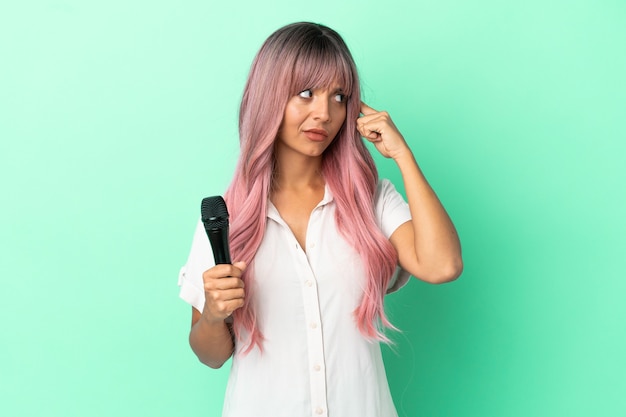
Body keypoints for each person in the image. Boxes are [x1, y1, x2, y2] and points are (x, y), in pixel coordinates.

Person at [178, 22, 462, 417]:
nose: (324, 113)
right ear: (270, 96)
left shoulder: (371, 198)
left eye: (339, 96)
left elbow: (442, 265)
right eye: (306, 93)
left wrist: (402, 155)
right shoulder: (228, 216)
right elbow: (210, 355)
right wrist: (213, 315)